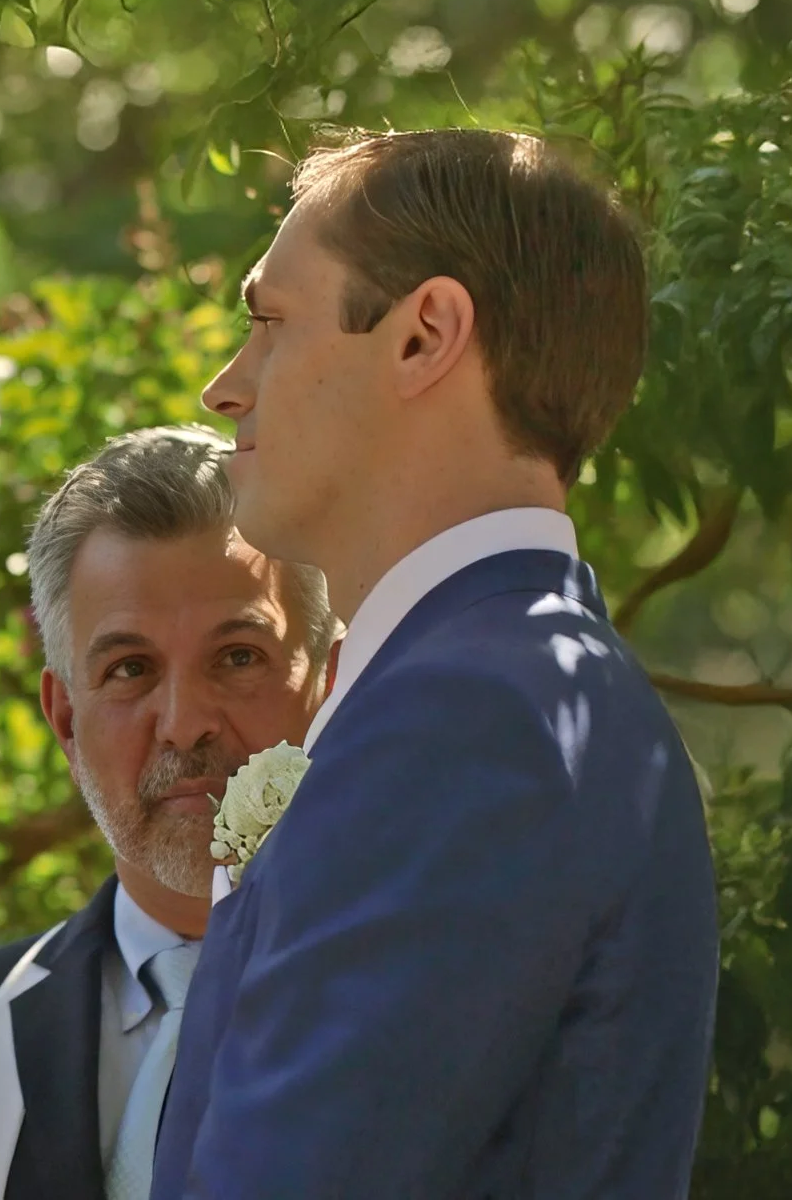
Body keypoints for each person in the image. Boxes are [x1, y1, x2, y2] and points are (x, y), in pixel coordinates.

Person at [151, 130, 720, 1198]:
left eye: (270, 323)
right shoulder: (527, 685)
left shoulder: (473, 718)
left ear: (425, 337)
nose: (226, 388)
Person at [0, 426, 334, 1200]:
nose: (186, 723)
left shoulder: (464, 1003)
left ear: (329, 679)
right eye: (130, 669)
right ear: (64, 718)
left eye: (239, 655)